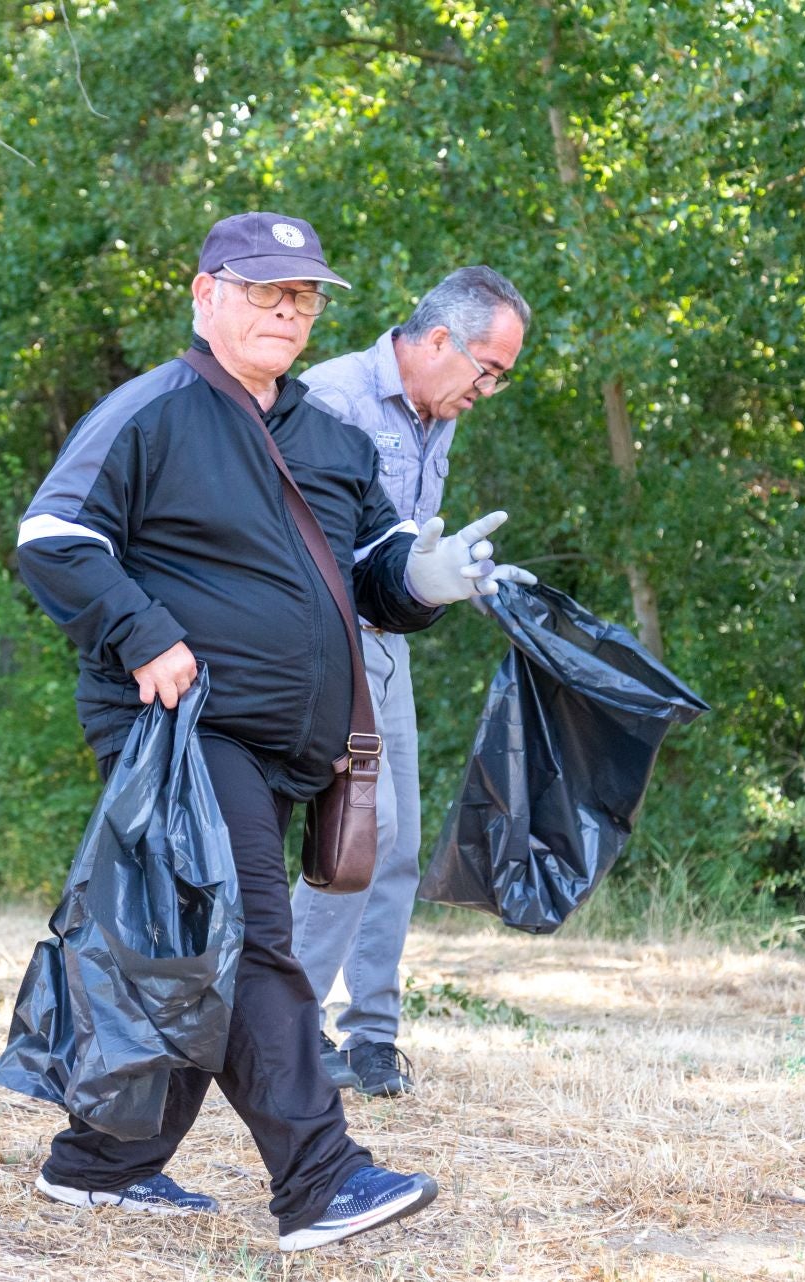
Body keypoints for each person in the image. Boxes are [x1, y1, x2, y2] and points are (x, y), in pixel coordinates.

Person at [13, 213, 530, 1251]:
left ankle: (100, 1163)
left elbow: (378, 567)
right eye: (263, 291)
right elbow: (52, 539)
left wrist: (425, 581)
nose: (284, 312)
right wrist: (145, 632)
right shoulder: (151, 411)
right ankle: (320, 1177)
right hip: (186, 730)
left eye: (300, 298)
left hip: (287, 742)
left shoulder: (326, 440)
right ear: (205, 294)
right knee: (251, 935)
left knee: (202, 949)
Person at [290, 267, 534, 1100]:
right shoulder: (332, 399)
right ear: (439, 341)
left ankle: (371, 1039)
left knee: (396, 843)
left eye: (501, 376)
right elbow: (303, 551)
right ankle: (282, 1026)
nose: (489, 390)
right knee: (360, 835)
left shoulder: (437, 412)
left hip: (384, 643)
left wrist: (445, 576)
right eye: (488, 370)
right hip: (324, 643)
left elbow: (402, 551)